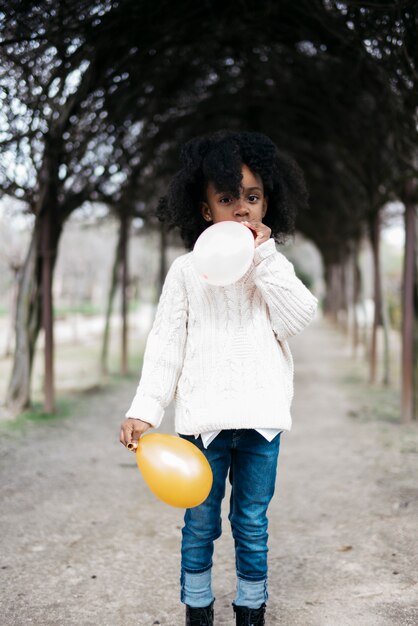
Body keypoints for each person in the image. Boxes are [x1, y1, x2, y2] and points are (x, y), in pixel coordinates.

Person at [119, 130, 319, 626]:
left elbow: (298, 317)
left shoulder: (272, 268)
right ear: (206, 211)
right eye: (227, 199)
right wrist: (144, 409)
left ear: (267, 203)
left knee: (251, 523)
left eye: (252, 198)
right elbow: (166, 345)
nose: (242, 209)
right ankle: (198, 608)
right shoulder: (186, 272)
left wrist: (265, 259)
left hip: (260, 422)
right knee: (200, 522)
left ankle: (251, 609)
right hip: (202, 422)